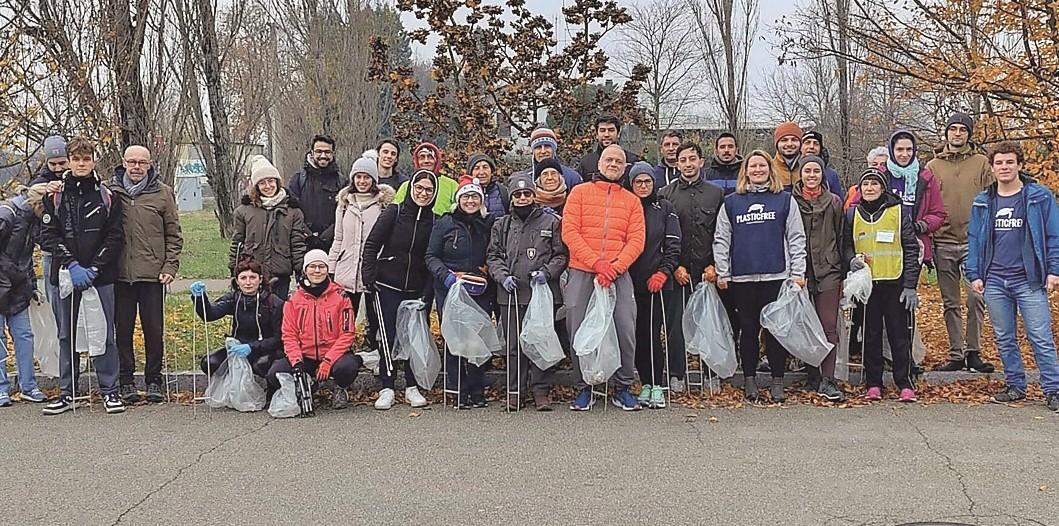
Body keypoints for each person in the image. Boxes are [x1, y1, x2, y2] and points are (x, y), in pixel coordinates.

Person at [967, 142, 1059, 412]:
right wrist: (974, 273)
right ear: (992, 168)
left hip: (1029, 279)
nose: (1004, 167)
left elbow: (1054, 236)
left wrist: (1054, 270)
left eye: (1009, 162)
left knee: (1040, 335)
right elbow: (973, 239)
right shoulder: (984, 201)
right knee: (1004, 336)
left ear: (1019, 165)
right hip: (995, 279)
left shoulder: (1039, 197)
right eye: (999, 163)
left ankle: (1053, 389)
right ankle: (1015, 385)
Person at [39, 138, 126, 415]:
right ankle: (69, 392)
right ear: (68, 161)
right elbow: (48, 236)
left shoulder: (108, 196)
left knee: (104, 334)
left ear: (93, 161)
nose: (81, 164)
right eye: (76, 159)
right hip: (67, 276)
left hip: (100, 278)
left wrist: (95, 268)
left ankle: (110, 391)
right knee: (67, 335)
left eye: (86, 159)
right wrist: (73, 264)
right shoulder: (55, 196)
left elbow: (115, 237)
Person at [713, 150, 807, 402]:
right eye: (752, 166)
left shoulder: (785, 200)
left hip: (776, 275)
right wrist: (723, 271)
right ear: (745, 172)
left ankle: (777, 381)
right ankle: (750, 380)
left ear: (769, 169)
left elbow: (796, 238)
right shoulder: (732, 202)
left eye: (761, 166)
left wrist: (797, 272)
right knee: (748, 330)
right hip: (742, 278)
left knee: (775, 332)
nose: (757, 170)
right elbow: (722, 239)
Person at [563, 144, 646, 411]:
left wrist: (616, 267)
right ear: (599, 164)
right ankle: (584, 386)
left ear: (624, 168)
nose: (613, 164)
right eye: (609, 159)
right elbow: (570, 233)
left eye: (619, 161)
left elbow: (637, 240)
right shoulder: (579, 193)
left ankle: (622, 386)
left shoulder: (632, 200)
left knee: (625, 326)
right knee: (577, 326)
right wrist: (596, 263)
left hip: (618, 274)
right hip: (583, 270)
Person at [487, 173, 568, 411]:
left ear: (534, 195)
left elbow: (561, 254)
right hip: (511, 295)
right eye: (518, 194)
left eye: (527, 193)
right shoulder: (501, 225)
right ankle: (515, 391)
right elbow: (493, 256)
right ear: (512, 198)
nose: (523, 198)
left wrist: (547, 272)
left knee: (540, 341)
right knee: (514, 345)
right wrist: (502, 277)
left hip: (541, 294)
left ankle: (541, 391)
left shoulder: (550, 222)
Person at [109, 145, 183, 404]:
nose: (137, 166)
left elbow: (174, 235)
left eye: (142, 162)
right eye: (132, 162)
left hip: (153, 275)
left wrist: (169, 267)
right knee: (123, 331)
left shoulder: (163, 194)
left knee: (154, 330)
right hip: (120, 275)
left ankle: (154, 380)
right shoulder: (111, 192)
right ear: (123, 163)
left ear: (150, 164)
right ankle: (126, 381)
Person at [361, 169, 438, 410]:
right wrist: (369, 277)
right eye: (419, 188)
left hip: (416, 289)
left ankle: (412, 386)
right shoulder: (393, 213)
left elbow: (431, 258)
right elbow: (372, 244)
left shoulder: (435, 220)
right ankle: (388, 386)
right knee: (388, 338)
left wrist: (427, 293)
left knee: (414, 338)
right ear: (411, 188)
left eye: (428, 190)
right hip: (387, 286)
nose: (423, 193)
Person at [843, 168, 921, 402]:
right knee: (870, 335)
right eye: (865, 184)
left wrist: (910, 285)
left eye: (874, 184)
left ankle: (904, 382)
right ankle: (873, 382)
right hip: (866, 287)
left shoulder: (898, 212)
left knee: (899, 335)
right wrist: (851, 260)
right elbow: (846, 246)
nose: (869, 188)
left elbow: (910, 248)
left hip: (894, 282)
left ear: (882, 188)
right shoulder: (852, 214)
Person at [926, 113, 995, 373]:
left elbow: (994, 198)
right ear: (946, 133)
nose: (957, 134)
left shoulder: (981, 164)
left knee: (976, 298)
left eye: (962, 130)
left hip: (974, 243)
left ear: (968, 134)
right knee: (950, 302)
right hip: (943, 242)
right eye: (952, 129)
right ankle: (956, 354)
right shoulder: (932, 166)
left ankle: (974, 352)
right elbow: (927, 204)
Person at [659, 142, 725, 392]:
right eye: (682, 160)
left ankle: (711, 373)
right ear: (676, 164)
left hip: (708, 271)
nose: (687, 164)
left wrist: (716, 265)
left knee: (710, 324)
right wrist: (673, 266)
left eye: (692, 159)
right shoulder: (665, 194)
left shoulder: (716, 194)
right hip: (678, 272)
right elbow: (662, 235)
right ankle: (677, 373)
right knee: (676, 325)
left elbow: (723, 233)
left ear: (701, 161)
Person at [427, 177, 496, 409]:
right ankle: (456, 389)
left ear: (481, 200)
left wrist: (488, 271)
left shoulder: (489, 223)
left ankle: (477, 390)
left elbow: (495, 252)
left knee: (475, 339)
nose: (470, 200)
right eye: (465, 196)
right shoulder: (445, 223)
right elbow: (431, 256)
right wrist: (445, 275)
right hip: (449, 288)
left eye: (474, 196)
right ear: (458, 199)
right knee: (454, 339)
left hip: (479, 289)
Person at [268, 250, 360, 410]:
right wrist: (296, 361)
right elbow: (289, 334)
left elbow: (347, 334)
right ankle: (309, 384)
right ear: (305, 270)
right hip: (306, 355)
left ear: (327, 269)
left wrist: (328, 361)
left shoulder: (341, 297)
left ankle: (341, 388)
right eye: (312, 266)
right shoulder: (294, 299)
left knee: (347, 367)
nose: (317, 271)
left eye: (321, 266)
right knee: (274, 374)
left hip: (333, 355)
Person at [627, 163, 681, 409]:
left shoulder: (665, 208)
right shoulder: (627, 206)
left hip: (658, 283)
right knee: (636, 336)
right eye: (638, 182)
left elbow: (673, 245)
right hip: (630, 281)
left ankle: (657, 384)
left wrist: (663, 272)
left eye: (647, 181)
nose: (643, 186)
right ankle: (645, 383)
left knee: (652, 334)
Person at [328, 151, 394, 353]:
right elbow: (338, 238)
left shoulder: (383, 204)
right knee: (346, 314)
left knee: (375, 314)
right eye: (358, 177)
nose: (362, 181)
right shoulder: (345, 203)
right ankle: (344, 349)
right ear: (353, 178)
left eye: (366, 177)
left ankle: (375, 348)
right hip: (347, 268)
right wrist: (331, 266)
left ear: (373, 179)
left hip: (373, 269)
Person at [792, 155, 845, 402]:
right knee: (804, 324)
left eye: (816, 171)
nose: (811, 175)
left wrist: (843, 269)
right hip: (800, 271)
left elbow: (841, 236)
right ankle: (811, 372)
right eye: (807, 171)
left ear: (822, 174)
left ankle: (828, 378)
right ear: (800, 174)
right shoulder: (790, 201)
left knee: (828, 326)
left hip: (828, 270)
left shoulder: (834, 202)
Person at [189, 259, 284, 386]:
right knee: (210, 362)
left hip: (265, 350)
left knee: (261, 365)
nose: (248, 282)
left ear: (260, 280)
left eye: (252, 277)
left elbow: (279, 339)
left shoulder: (274, 303)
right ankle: (229, 388)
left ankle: (270, 390)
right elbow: (210, 315)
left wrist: (252, 347)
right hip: (238, 348)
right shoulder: (234, 298)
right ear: (237, 281)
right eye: (243, 278)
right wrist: (200, 299)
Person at [230, 157, 307, 300]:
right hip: (252, 274)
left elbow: (297, 244)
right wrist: (234, 269)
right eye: (262, 183)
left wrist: (301, 271)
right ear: (256, 186)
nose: (267, 186)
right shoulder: (244, 211)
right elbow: (237, 243)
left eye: (271, 181)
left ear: (277, 182)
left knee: (278, 316)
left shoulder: (293, 211)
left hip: (280, 274)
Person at [0, 184, 49, 406]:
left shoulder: (33, 221)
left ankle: (28, 385)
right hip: (4, 283)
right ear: (38, 204)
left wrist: (31, 284)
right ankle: (1, 388)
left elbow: (27, 256)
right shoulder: (7, 214)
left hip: (18, 287)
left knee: (24, 336)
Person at [31, 135, 69, 319]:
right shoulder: (39, 183)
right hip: (49, 250)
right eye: (53, 164)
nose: (58, 168)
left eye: (62, 163)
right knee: (54, 295)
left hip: (75, 249)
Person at [288, 134, 347, 251]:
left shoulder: (341, 182)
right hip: (304, 244)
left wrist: (327, 236)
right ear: (312, 152)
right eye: (319, 151)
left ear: (333, 154)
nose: (323, 156)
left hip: (333, 244)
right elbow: (292, 212)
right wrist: (309, 235)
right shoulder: (298, 179)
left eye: (327, 152)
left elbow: (345, 213)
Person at [392, 142, 458, 216]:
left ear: (437, 160)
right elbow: (396, 210)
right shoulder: (406, 186)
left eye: (430, 157)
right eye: (422, 157)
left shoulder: (452, 185)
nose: (426, 161)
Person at [512, 128, 582, 189]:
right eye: (538, 147)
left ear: (554, 149)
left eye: (547, 146)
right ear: (533, 151)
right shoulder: (526, 178)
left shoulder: (572, 177)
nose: (543, 151)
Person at [576, 114, 641, 181]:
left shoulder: (632, 161)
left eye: (611, 130)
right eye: (602, 130)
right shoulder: (586, 163)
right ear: (596, 135)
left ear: (618, 134)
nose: (606, 134)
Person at [799, 130, 845, 197]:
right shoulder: (792, 171)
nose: (811, 146)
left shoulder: (831, 175)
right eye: (807, 143)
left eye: (816, 143)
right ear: (800, 147)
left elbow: (839, 203)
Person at [772, 121, 804, 188]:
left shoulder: (809, 168)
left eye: (794, 140)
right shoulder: (769, 169)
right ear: (777, 144)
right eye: (784, 140)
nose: (789, 144)